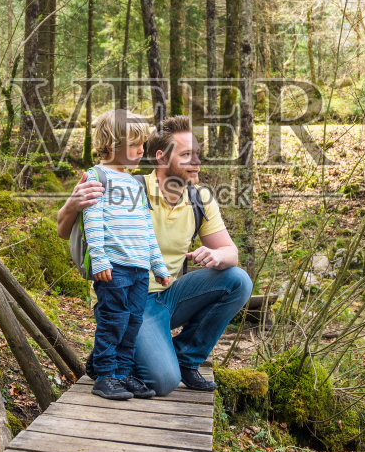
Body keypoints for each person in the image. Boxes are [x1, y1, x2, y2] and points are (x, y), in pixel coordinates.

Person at [57, 114, 251, 395]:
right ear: (161, 158)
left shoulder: (200, 199)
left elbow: (231, 253)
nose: (197, 162)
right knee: (163, 381)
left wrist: (218, 256)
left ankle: (186, 359)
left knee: (238, 280)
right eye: (187, 155)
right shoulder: (127, 185)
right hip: (125, 295)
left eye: (197, 154)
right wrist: (71, 206)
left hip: (169, 293)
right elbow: (65, 232)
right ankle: (114, 359)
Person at [79, 110, 171, 400]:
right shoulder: (98, 176)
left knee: (133, 322)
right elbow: (92, 222)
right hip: (114, 268)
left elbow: (146, 229)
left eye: (142, 144)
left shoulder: (135, 185)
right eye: (134, 144)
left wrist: (158, 265)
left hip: (138, 269)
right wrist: (100, 259)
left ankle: (123, 372)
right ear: (110, 144)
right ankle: (106, 375)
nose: (141, 150)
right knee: (113, 321)